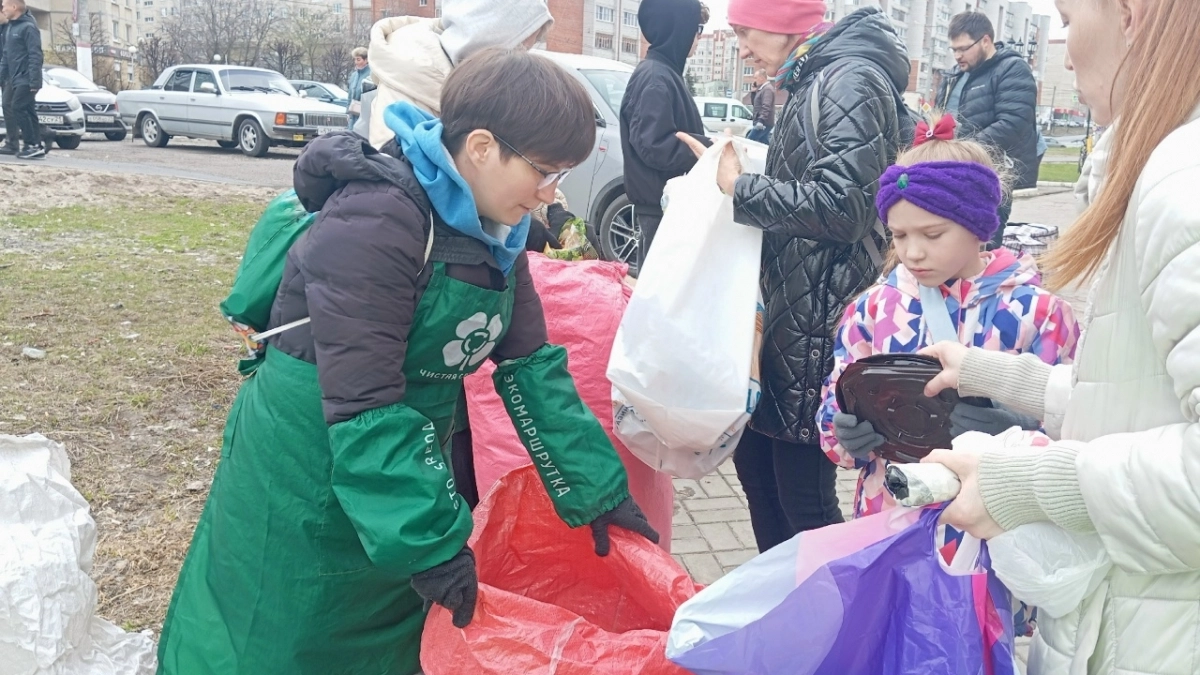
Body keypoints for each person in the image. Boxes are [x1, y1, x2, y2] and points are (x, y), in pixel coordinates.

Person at [156, 49, 659, 675]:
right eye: (545, 171)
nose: (550, 194)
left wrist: (597, 490)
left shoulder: (495, 232)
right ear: (480, 147)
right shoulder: (376, 221)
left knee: (386, 637)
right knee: (281, 630)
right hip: (308, 454)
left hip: (401, 463)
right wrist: (429, 545)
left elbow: (531, 366)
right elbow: (364, 402)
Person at [918, 0, 1200, 672]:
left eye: (1070, 20)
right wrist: (996, 374)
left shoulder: (1181, 189)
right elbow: (1138, 396)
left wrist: (1024, 483)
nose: (1064, 51)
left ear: (1131, 16)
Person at [816, 117, 1079, 637]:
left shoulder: (1038, 313)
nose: (913, 252)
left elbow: (1074, 427)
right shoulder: (872, 311)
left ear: (979, 223)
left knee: (978, 644)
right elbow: (834, 408)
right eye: (899, 235)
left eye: (932, 234)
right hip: (891, 522)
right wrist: (846, 435)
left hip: (993, 532)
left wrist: (1023, 429)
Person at [678, 0, 914, 552]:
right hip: (789, 312)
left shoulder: (849, 78)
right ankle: (783, 617)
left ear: (784, 21)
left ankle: (835, 626)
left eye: (743, 31)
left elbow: (846, 204)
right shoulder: (815, 77)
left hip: (817, 318)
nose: (739, 46)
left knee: (802, 498)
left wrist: (741, 188)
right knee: (759, 476)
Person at [356, 0, 554, 150]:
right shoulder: (410, 89)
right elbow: (400, 183)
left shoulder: (475, 83)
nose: (518, 63)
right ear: (483, 38)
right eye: (516, 50)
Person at [619, 0, 711, 271]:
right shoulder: (655, 77)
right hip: (659, 208)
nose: (698, 37)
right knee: (658, 292)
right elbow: (653, 144)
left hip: (666, 204)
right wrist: (706, 147)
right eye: (697, 28)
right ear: (678, 28)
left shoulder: (663, 73)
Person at [938, 12, 1038, 246]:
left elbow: (1014, 122)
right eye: (953, 49)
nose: (957, 55)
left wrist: (964, 151)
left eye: (963, 48)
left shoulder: (1011, 69)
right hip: (953, 174)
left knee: (983, 248)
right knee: (950, 247)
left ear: (985, 41)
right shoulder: (954, 76)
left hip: (991, 176)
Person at [0, 0, 44, 159]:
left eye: (4, 6)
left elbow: (35, 55)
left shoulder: (28, 27)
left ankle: (32, 144)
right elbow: (6, 56)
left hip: (26, 78)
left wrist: (34, 81)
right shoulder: (10, 28)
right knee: (20, 107)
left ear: (14, 7)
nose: (2, 9)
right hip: (13, 77)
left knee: (18, 106)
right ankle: (36, 145)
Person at [747, 68, 775, 144]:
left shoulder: (767, 90)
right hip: (762, 122)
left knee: (749, 140)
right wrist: (753, 92)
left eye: (756, 78)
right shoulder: (762, 90)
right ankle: (771, 155)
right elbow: (755, 105)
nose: (754, 80)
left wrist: (761, 121)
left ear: (762, 78)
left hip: (763, 123)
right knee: (764, 142)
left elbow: (766, 106)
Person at [346, 46, 371, 128]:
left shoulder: (372, 75)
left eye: (358, 59)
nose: (356, 62)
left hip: (366, 117)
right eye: (355, 59)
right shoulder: (354, 76)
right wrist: (348, 112)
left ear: (366, 60)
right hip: (353, 115)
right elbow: (350, 96)